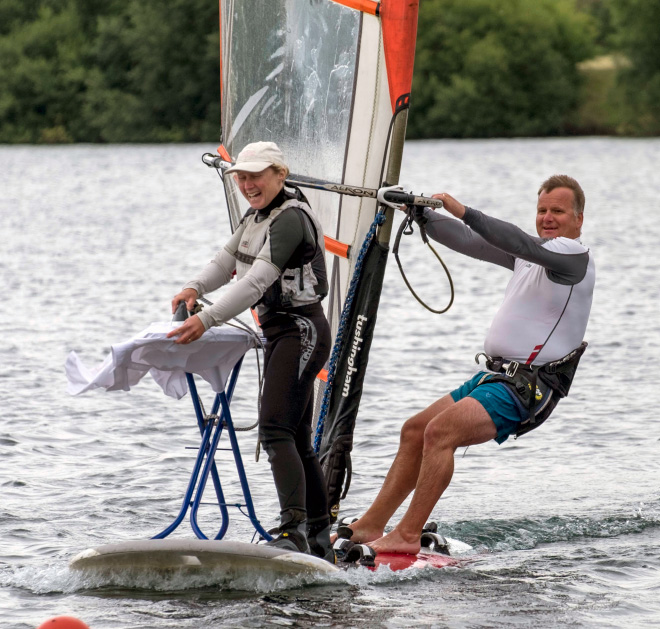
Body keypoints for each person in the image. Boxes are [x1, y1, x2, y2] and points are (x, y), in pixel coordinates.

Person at [338, 174, 595, 555]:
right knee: (415, 430)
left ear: (579, 219)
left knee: (440, 434)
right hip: (495, 376)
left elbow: (512, 238)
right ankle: (371, 525)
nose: (547, 217)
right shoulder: (533, 255)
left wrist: (463, 210)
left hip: (528, 388)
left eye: (557, 210)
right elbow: (472, 242)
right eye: (542, 210)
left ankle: (407, 534)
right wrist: (420, 213)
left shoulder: (573, 257)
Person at [167, 141, 334, 561]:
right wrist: (195, 288)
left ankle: (294, 532)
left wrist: (206, 319)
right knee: (297, 437)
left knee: (275, 430)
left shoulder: (291, 218)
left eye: (255, 175)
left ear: (280, 173)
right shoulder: (257, 215)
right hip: (282, 334)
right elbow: (227, 262)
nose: (246, 184)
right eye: (240, 176)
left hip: (301, 332)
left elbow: (256, 282)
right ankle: (318, 539)